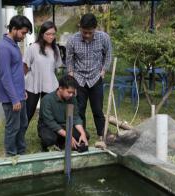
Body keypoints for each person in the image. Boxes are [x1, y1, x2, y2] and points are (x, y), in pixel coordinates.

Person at [66, 13, 112, 141]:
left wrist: (103, 72)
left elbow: (108, 56)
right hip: (79, 80)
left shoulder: (104, 38)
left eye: (89, 33)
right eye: (84, 32)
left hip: (95, 79)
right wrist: (71, 79)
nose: (86, 35)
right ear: (80, 28)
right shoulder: (72, 40)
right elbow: (69, 61)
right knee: (80, 110)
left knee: (98, 110)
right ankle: (82, 135)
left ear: (95, 28)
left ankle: (102, 135)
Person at [0, 15, 32, 157]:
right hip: (11, 98)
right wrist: (14, 99)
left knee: (22, 124)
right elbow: (5, 76)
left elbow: (16, 72)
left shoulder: (14, 45)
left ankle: (21, 152)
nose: (23, 36)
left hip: (19, 95)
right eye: (23, 33)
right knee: (13, 127)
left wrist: (22, 91)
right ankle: (11, 155)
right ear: (14, 29)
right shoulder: (3, 48)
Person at [23, 21, 62, 124]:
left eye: (53, 34)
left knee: (46, 113)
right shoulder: (33, 48)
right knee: (28, 112)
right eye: (48, 34)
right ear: (42, 34)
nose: (51, 37)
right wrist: (23, 82)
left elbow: (56, 67)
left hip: (50, 84)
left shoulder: (56, 49)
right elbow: (25, 66)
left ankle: (44, 135)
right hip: (32, 84)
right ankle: (19, 138)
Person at [38, 75, 89, 151]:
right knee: (49, 139)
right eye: (69, 92)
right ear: (60, 88)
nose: (71, 95)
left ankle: (62, 141)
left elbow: (76, 117)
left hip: (65, 126)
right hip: (48, 127)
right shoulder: (47, 100)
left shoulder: (72, 99)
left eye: (73, 92)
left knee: (85, 136)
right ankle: (56, 142)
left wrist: (83, 133)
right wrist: (68, 136)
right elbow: (50, 122)